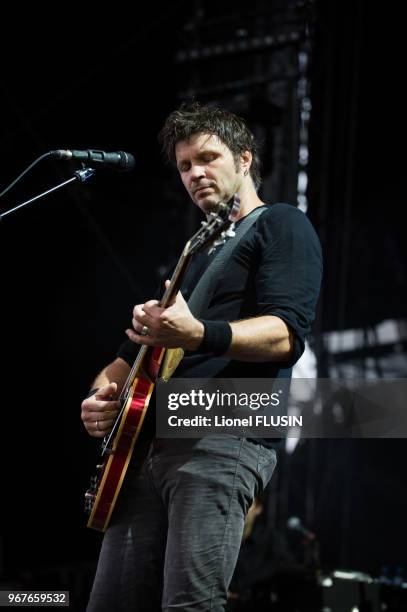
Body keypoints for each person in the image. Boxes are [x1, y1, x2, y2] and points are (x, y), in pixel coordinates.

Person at [81, 102, 322, 611]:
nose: (195, 174)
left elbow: (285, 334)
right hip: (146, 451)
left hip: (221, 436)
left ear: (245, 159)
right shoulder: (194, 256)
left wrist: (198, 334)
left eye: (208, 158)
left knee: (190, 604)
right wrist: (102, 393)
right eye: (185, 166)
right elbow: (128, 356)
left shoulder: (280, 224)